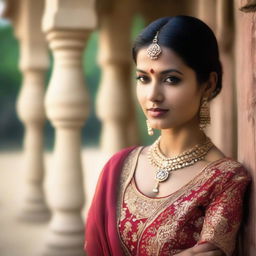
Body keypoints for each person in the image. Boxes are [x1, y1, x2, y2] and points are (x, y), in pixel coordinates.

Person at [84, 16, 251, 256]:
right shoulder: (119, 167)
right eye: (143, 78)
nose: (153, 95)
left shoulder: (225, 179)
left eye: (171, 79)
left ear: (208, 84)